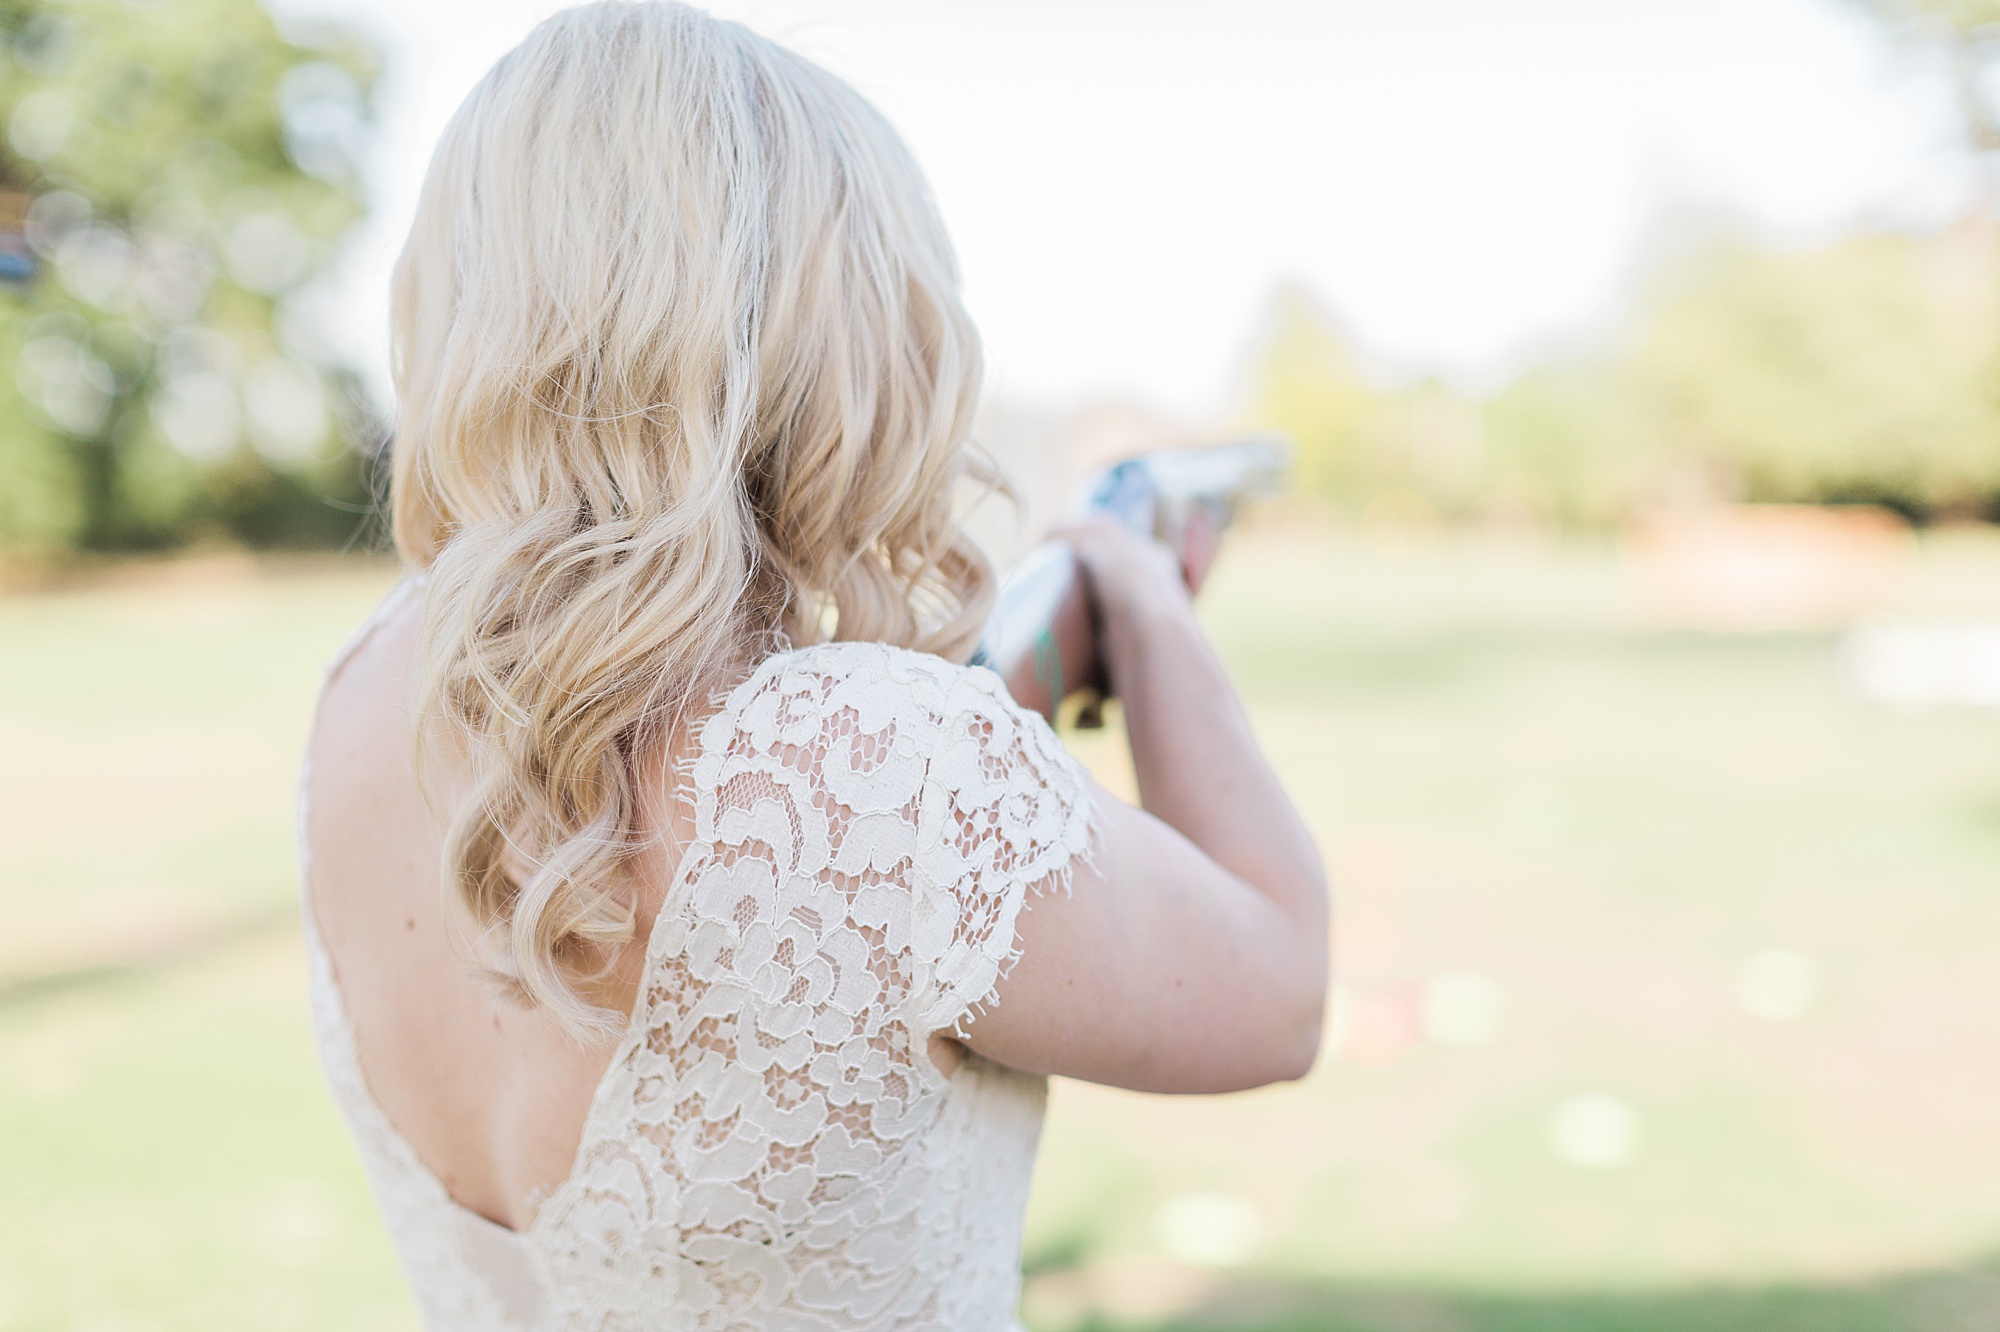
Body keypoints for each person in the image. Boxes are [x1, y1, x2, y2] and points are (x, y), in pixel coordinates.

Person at [299, 3, 1328, 1327]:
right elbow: (1283, 988)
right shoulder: (878, 766)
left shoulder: (359, 693)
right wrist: (1154, 615)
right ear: (837, 331)